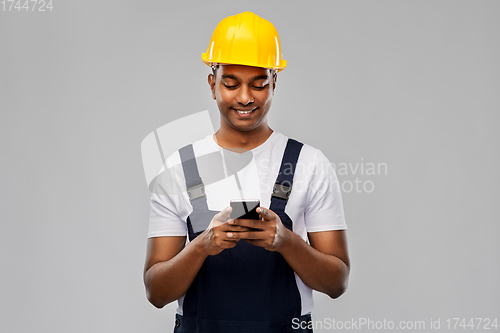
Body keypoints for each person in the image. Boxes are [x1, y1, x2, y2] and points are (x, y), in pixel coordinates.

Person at [143, 11, 350, 333]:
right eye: (230, 83)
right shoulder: (179, 168)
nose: (244, 97)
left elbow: (337, 282)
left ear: (274, 83)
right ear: (212, 84)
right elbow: (156, 292)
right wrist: (202, 245)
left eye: (258, 84)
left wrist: (287, 242)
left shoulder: (310, 164)